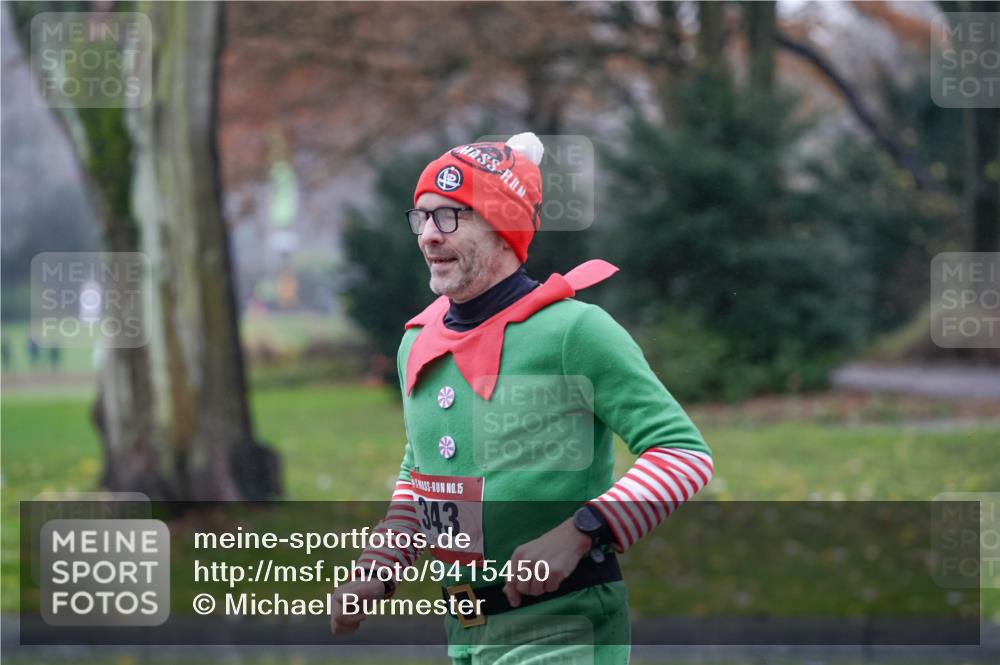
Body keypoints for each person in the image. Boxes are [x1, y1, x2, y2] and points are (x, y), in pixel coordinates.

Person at [330, 133, 714, 664]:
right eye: (421, 218)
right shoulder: (417, 341)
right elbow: (421, 470)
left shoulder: (574, 331)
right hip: (464, 628)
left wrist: (582, 531)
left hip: (564, 627)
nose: (429, 238)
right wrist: (381, 564)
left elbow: (683, 455)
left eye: (450, 218)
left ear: (502, 227)